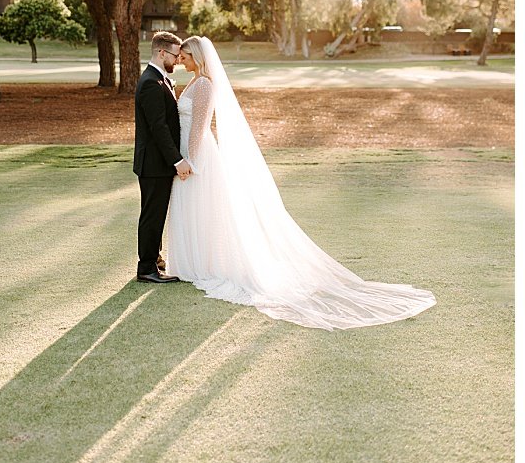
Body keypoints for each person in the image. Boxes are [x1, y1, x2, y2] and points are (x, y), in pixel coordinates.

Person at [164, 36, 436, 328]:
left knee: (200, 207)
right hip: (186, 153)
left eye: (185, 55)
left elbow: (200, 127)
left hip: (198, 155)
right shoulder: (193, 82)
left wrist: (190, 160)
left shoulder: (204, 84)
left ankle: (201, 265)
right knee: (193, 209)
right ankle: (194, 262)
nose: (181, 59)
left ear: (198, 57)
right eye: (179, 56)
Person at [132, 31, 191, 283]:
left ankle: (154, 259)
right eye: (176, 55)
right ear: (162, 52)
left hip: (158, 163)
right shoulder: (150, 83)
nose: (178, 60)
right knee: (152, 215)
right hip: (154, 163)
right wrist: (177, 160)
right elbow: (158, 128)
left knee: (155, 213)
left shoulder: (161, 79)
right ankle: (146, 268)